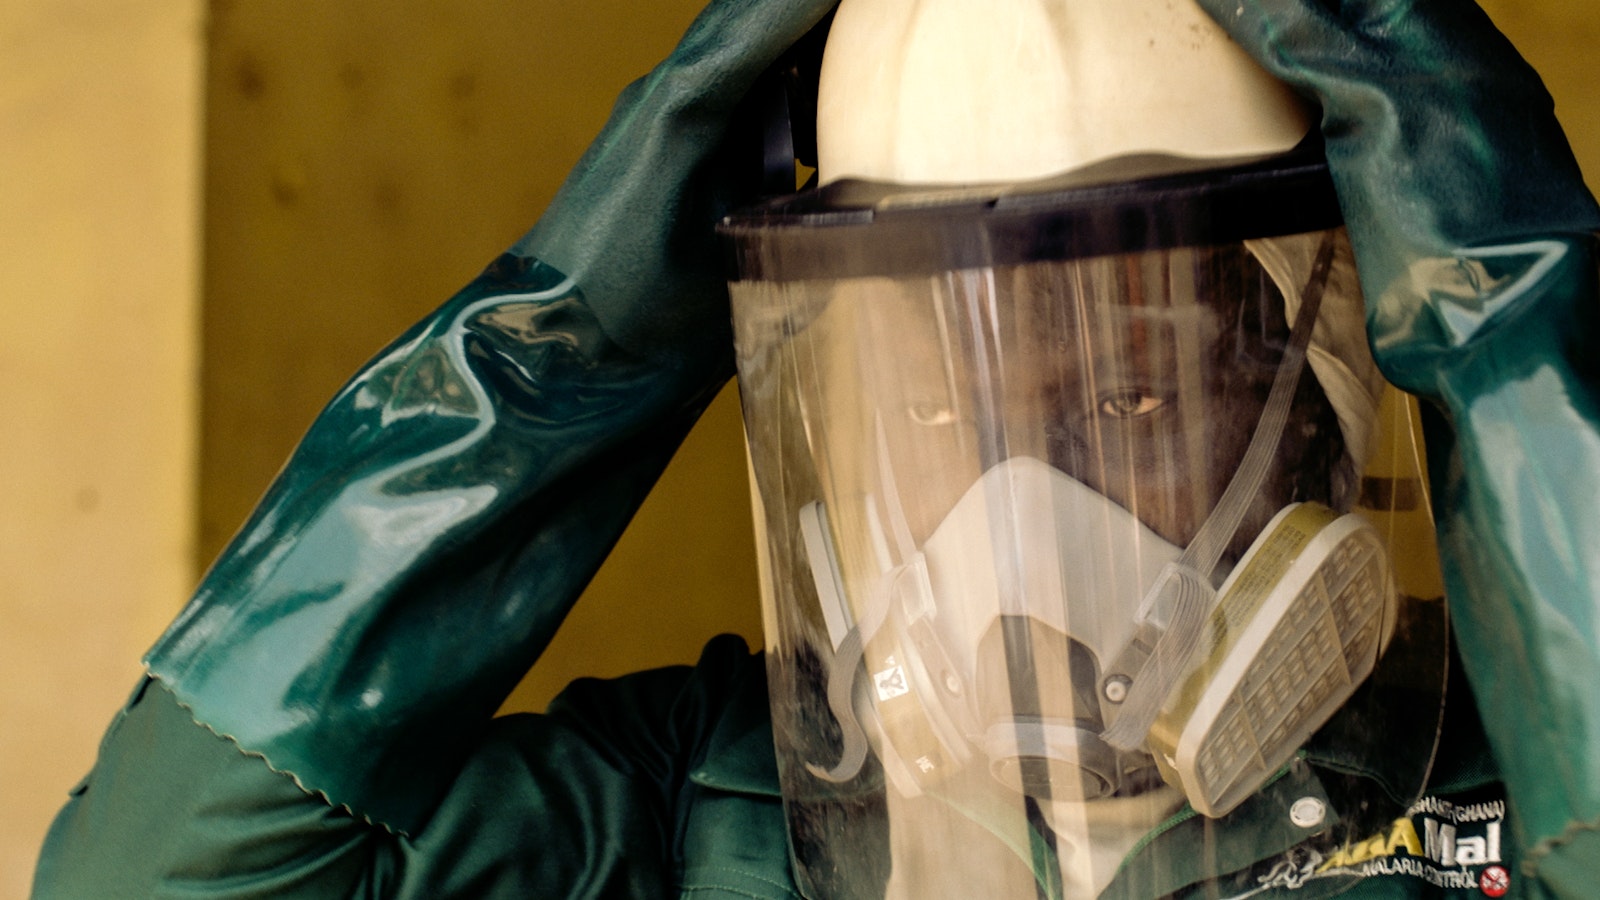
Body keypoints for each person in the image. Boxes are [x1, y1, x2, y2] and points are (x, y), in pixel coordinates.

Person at [31, 0, 1600, 897]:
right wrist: (564, 345)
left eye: (1129, 400)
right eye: (932, 411)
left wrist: (1515, 313)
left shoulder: (1512, 799)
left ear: (1320, 396)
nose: (1015, 503)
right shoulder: (709, 810)